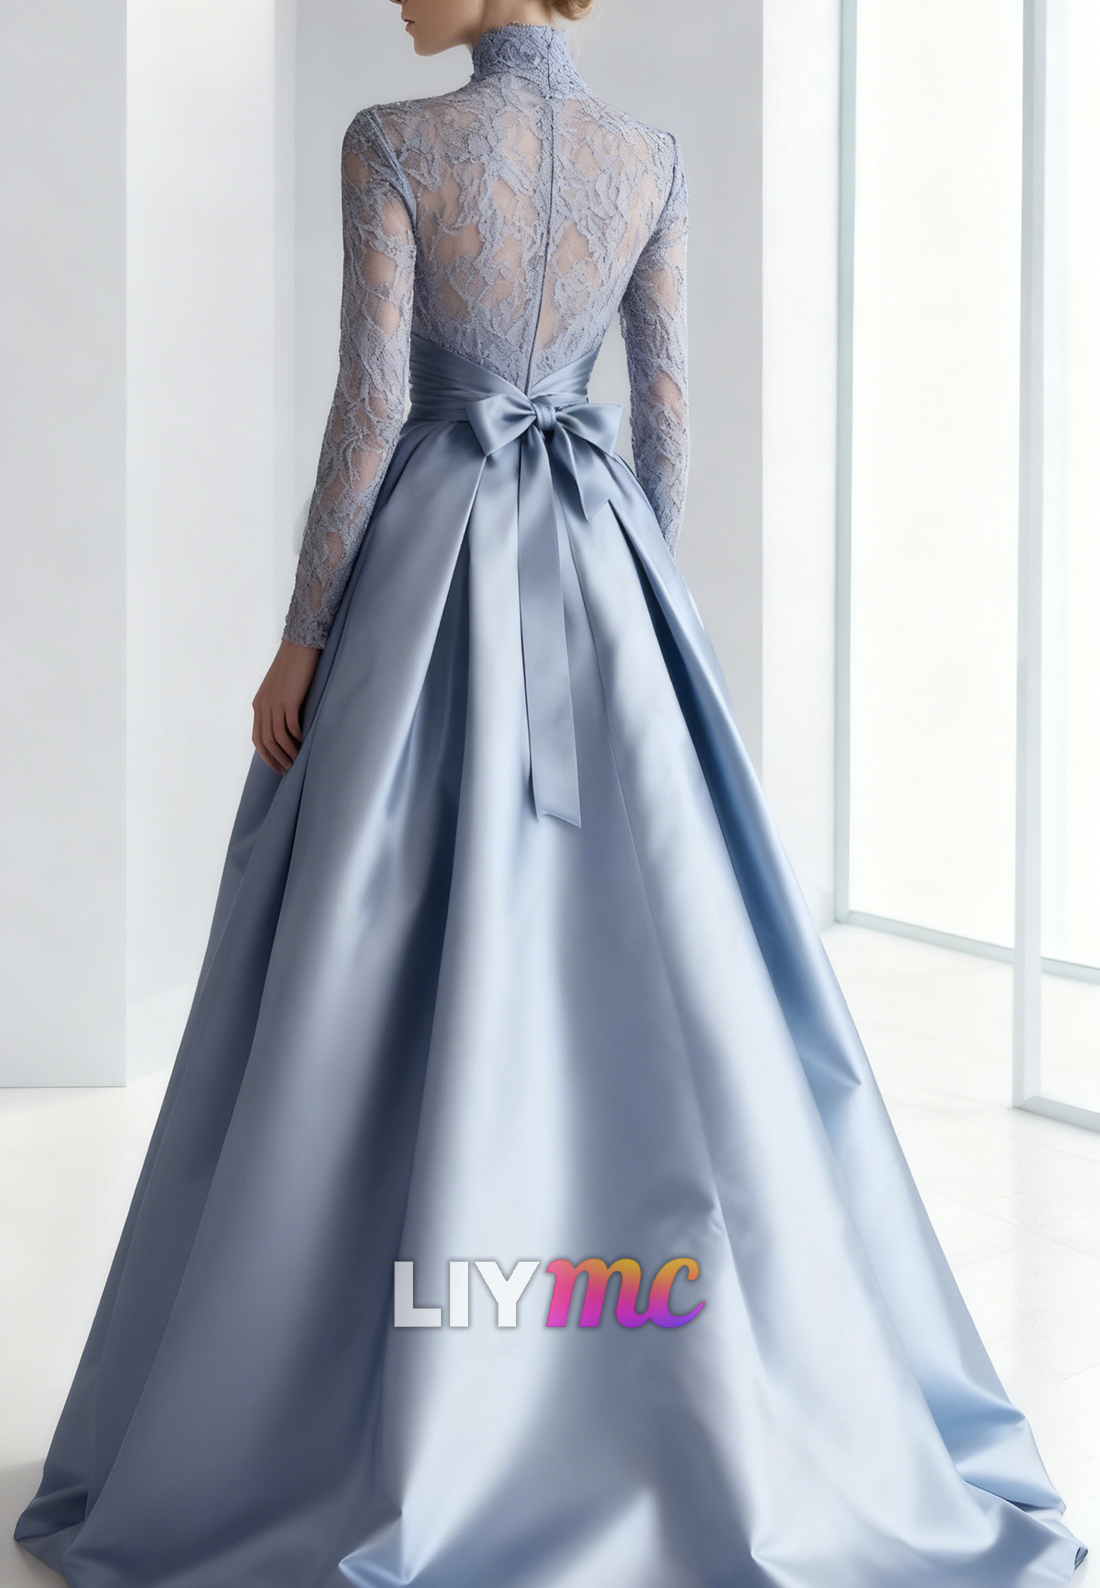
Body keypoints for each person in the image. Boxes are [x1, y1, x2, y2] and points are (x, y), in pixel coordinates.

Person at [13, 3, 1089, 1584]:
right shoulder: (649, 155)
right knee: (654, 975)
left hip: (431, 562)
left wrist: (304, 635)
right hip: (600, 559)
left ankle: (364, 1401)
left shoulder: (393, 143)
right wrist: (637, 613)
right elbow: (667, 418)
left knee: (371, 950)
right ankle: (644, 1377)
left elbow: (371, 407)